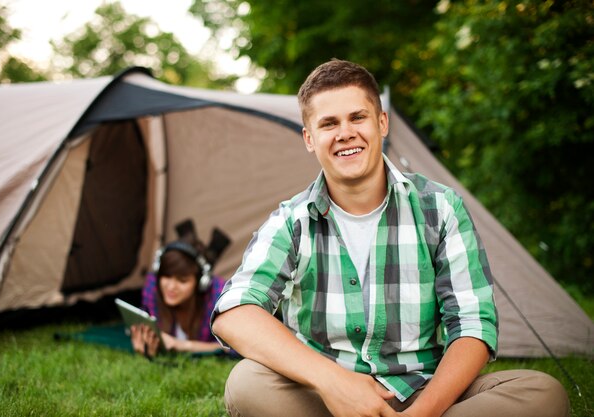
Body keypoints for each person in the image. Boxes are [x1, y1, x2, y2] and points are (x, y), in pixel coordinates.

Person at [211, 59, 570, 417]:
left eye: (357, 117)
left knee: (542, 393)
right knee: (246, 382)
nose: (345, 133)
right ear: (309, 138)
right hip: (322, 398)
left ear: (382, 123)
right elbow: (234, 311)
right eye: (328, 124)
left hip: (423, 391)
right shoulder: (292, 221)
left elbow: (473, 325)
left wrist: (422, 414)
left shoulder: (440, 208)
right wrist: (333, 382)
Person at [130, 218, 231, 357]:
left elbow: (235, 348)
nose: (171, 287)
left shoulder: (219, 297)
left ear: (201, 282)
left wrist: (183, 345)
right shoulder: (153, 286)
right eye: (166, 276)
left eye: (182, 281)